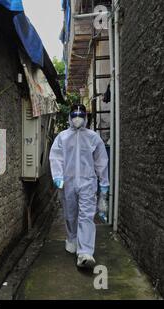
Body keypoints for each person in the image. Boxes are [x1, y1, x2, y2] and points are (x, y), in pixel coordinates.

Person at [49, 104, 109, 269]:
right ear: (69, 116)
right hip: (67, 183)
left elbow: (101, 162)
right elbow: (56, 157)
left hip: (87, 182)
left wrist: (104, 184)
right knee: (70, 215)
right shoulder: (62, 137)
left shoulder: (93, 138)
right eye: (74, 115)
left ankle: (85, 253)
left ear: (85, 117)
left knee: (86, 216)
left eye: (80, 115)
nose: (77, 118)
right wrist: (58, 176)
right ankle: (72, 239)